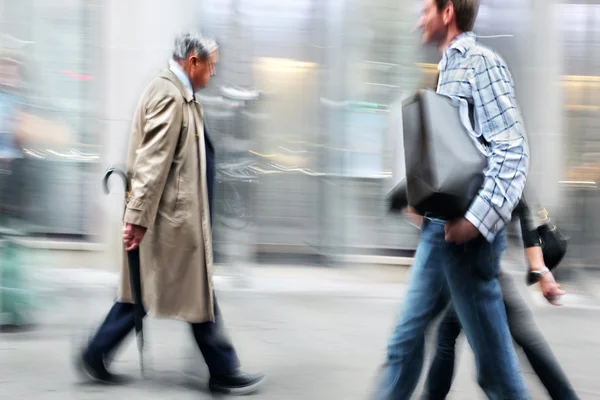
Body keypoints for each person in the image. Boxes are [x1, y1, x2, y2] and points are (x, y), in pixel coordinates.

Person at [74, 32, 264, 396]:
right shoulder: (168, 94)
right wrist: (136, 219)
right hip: (172, 223)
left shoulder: (183, 95)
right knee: (195, 296)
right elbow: (151, 163)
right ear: (193, 61)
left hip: (176, 220)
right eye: (211, 66)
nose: (213, 74)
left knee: (147, 293)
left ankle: (96, 352)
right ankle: (223, 370)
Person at [376, 1, 531, 398]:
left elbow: (512, 150)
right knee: (403, 343)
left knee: (495, 372)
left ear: (448, 12)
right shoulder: (448, 70)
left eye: (426, 8)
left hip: (467, 238)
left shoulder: (481, 63)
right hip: (440, 229)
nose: (419, 18)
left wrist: (475, 222)